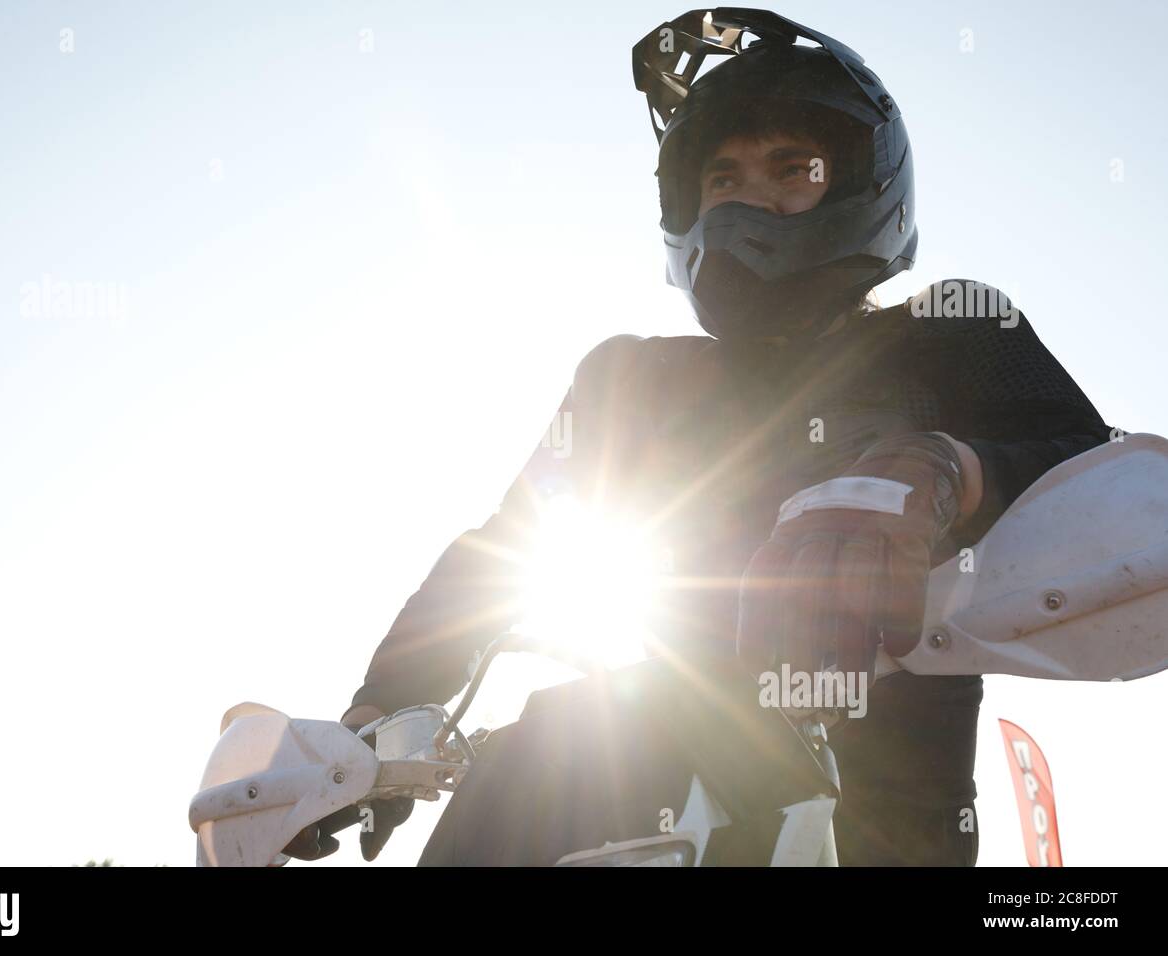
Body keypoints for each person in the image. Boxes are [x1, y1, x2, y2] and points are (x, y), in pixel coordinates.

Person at [323, 9, 1112, 865]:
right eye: (722, 177)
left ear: (860, 181)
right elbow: (501, 557)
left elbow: (1118, 492)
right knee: (537, 745)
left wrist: (944, 470)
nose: (749, 198)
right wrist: (364, 730)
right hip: (623, 776)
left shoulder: (954, 335)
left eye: (790, 167)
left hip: (881, 805)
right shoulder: (628, 381)